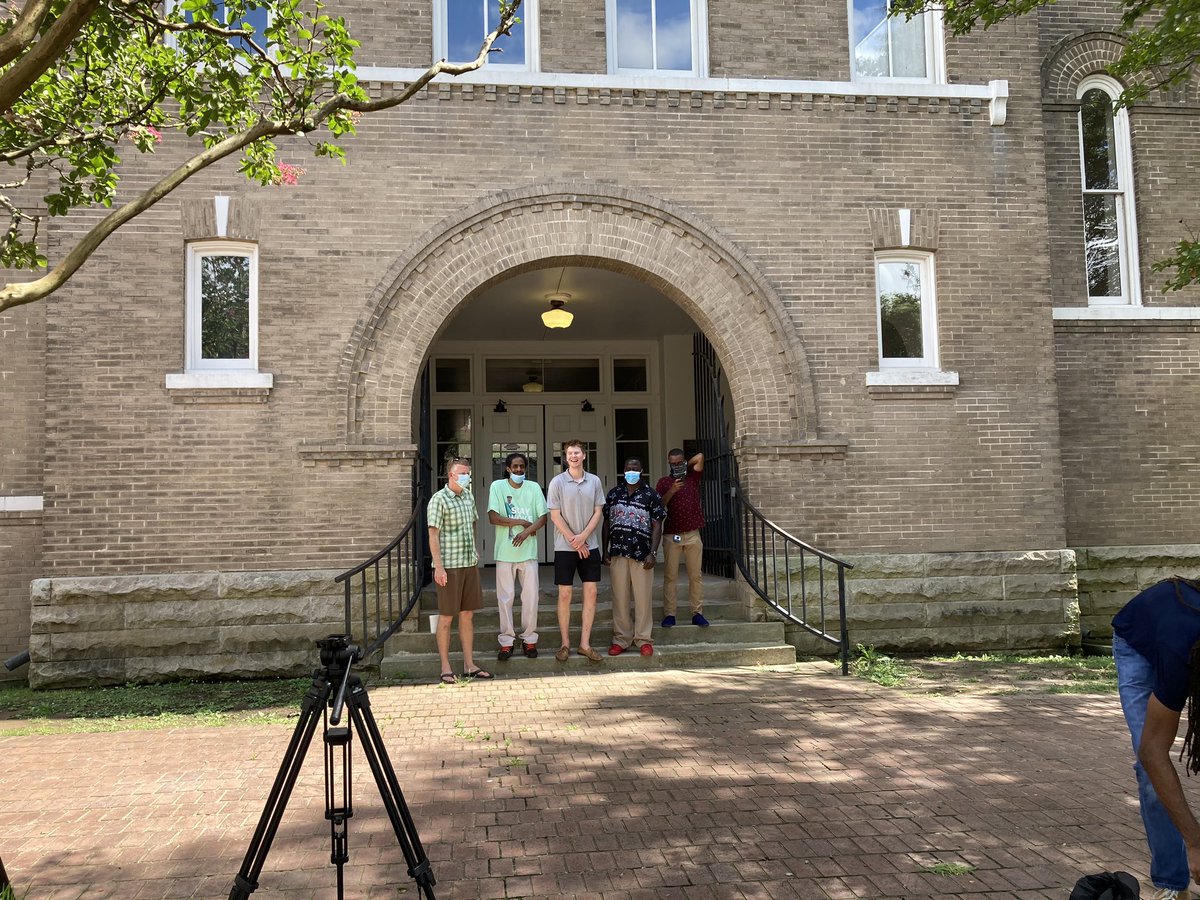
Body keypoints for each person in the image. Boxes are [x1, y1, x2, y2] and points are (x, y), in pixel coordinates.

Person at [1111, 576, 1200, 899]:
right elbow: (1153, 751)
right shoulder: (1182, 649)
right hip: (1138, 644)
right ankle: (1173, 883)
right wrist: (1194, 841)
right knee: (1150, 768)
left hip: (1175, 633)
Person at [427, 458, 493, 684]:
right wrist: (439, 566)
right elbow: (433, 534)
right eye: (461, 473)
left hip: (468, 563)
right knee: (446, 616)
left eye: (468, 472)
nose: (466, 476)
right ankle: (445, 667)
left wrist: (474, 549)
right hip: (449, 567)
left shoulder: (468, 496)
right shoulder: (439, 499)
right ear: (451, 475)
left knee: (467, 615)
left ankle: (469, 664)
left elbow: (473, 523)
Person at [546, 439, 605, 663]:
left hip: (590, 545)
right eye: (570, 453)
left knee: (591, 593)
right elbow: (554, 515)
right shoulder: (557, 482)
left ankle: (585, 644)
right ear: (565, 456)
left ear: (584, 455)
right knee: (565, 595)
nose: (574, 456)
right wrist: (575, 540)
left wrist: (583, 538)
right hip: (565, 547)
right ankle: (565, 644)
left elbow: (598, 512)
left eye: (577, 452)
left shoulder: (595, 481)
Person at [486, 452, 547, 661]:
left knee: (531, 598)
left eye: (522, 466)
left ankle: (529, 639)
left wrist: (526, 532)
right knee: (505, 598)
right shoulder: (497, 487)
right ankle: (507, 641)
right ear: (508, 468)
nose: (519, 470)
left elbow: (543, 517)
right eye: (515, 466)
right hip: (504, 552)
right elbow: (493, 517)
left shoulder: (533, 488)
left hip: (528, 552)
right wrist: (520, 521)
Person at [602, 458, 665, 657]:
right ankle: (621, 639)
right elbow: (606, 523)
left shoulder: (651, 494)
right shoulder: (614, 493)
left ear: (641, 470)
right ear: (623, 470)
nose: (631, 471)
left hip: (642, 554)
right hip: (618, 552)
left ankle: (643, 639)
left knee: (642, 598)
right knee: (620, 598)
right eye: (628, 468)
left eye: (635, 468)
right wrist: (605, 549)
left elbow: (657, 525)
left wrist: (653, 553)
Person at [655, 449, 709, 628]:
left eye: (680, 462)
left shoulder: (693, 478)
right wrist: (671, 490)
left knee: (696, 575)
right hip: (672, 534)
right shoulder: (664, 482)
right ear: (668, 463)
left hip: (693, 534)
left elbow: (700, 457)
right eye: (673, 463)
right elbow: (658, 506)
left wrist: (686, 466)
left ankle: (697, 613)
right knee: (671, 576)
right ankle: (670, 614)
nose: (676, 466)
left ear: (685, 462)